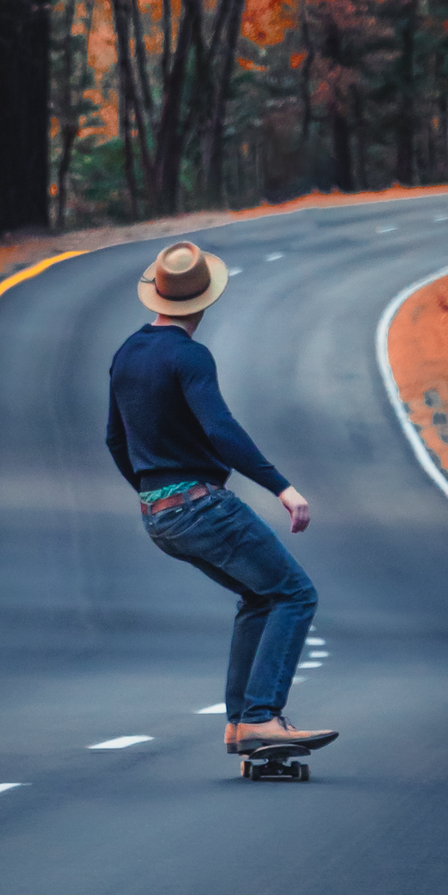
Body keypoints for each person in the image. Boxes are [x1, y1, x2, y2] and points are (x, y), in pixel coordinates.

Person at [105, 239, 336, 763]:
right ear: (204, 300)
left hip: (158, 516)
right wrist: (282, 487)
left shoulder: (127, 352)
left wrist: (153, 496)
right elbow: (221, 429)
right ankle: (261, 716)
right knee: (295, 594)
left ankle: (240, 723)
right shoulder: (190, 355)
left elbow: (115, 440)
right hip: (198, 505)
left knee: (259, 597)